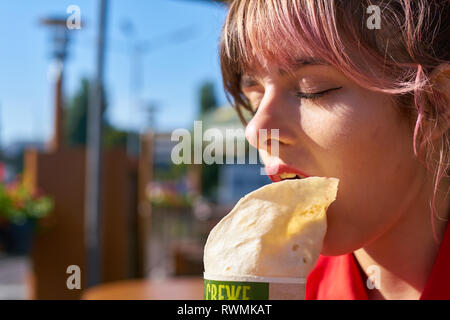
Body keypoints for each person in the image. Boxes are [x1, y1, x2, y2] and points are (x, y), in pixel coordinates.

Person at [218, 0, 450, 299]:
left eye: (312, 88)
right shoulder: (281, 288)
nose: (256, 130)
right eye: (254, 100)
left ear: (435, 103)